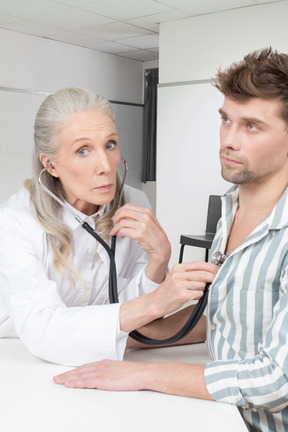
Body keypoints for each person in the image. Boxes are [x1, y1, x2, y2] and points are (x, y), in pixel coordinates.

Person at [54, 48, 288, 432]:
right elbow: (223, 319)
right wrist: (130, 340)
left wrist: (143, 375)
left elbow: (275, 380)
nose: (228, 140)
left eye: (252, 126)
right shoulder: (232, 209)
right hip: (219, 413)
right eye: (226, 120)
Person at [0, 87, 218, 366]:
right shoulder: (14, 222)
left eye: (110, 144)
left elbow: (125, 306)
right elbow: (43, 330)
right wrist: (156, 306)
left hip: (110, 358)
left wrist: (160, 257)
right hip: (19, 358)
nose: (105, 165)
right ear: (50, 164)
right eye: (83, 150)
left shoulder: (134, 203)